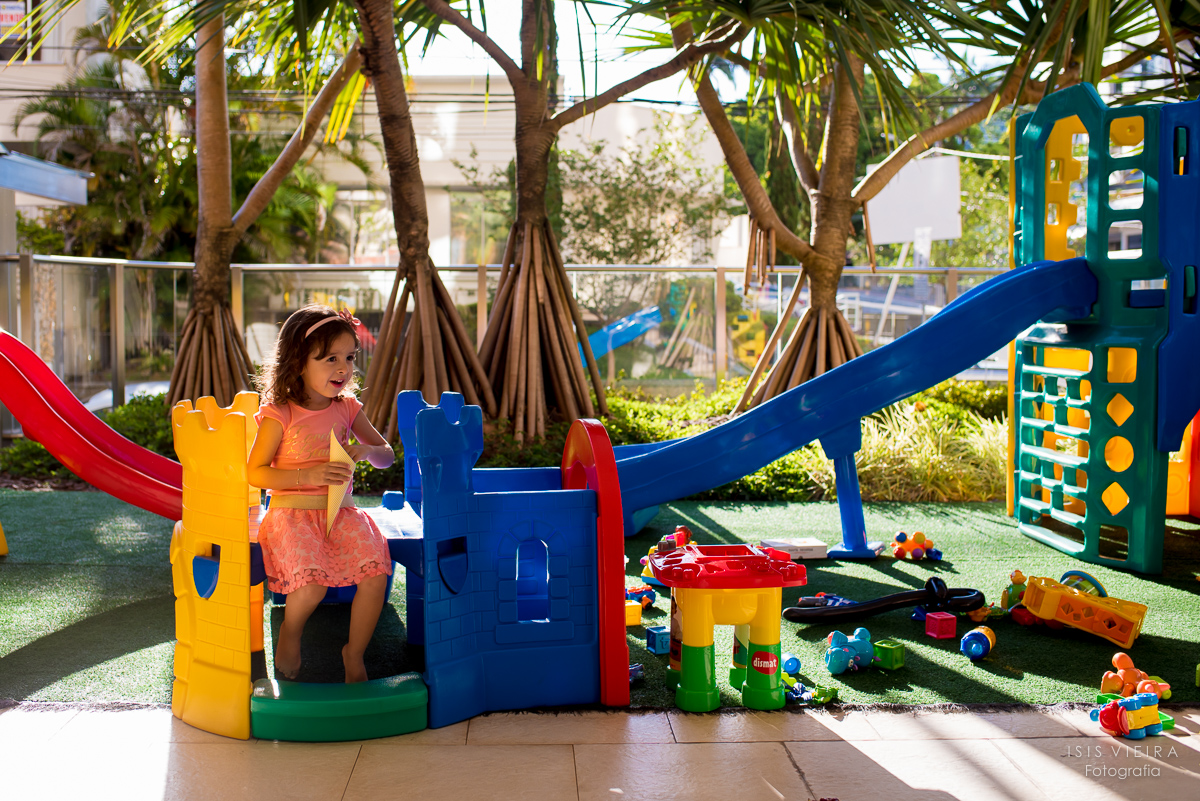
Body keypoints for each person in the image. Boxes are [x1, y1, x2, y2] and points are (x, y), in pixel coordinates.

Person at [247, 304, 395, 683]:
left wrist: (368, 450)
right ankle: (290, 633)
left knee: (377, 574)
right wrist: (308, 472)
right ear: (298, 361)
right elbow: (255, 473)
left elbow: (386, 457)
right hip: (291, 514)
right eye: (330, 358)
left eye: (349, 357)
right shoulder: (279, 413)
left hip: (339, 513)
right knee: (311, 586)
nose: (343, 368)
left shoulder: (347, 408)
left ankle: (353, 653)